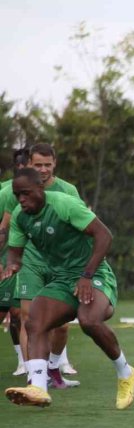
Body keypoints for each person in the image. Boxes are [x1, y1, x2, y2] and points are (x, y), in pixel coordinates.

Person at [2, 168, 134, 408]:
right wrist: (11, 265)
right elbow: (15, 251)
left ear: (40, 189)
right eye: (17, 195)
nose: (21, 199)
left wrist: (86, 275)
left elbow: (104, 236)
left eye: (26, 193)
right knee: (35, 322)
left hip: (94, 274)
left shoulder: (63, 204)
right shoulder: (21, 218)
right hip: (63, 279)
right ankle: (38, 388)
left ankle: (125, 373)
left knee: (89, 321)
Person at [0, 143, 81, 387]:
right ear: (29, 165)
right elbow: (5, 229)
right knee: (28, 319)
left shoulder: (68, 190)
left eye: (48, 165)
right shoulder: (13, 192)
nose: (43, 170)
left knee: (62, 325)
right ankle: (33, 377)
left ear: (55, 163)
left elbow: (82, 227)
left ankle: (54, 369)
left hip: (62, 265)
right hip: (30, 263)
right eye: (38, 165)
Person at [3, 148, 27, 376]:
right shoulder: (5, 193)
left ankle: (35, 366)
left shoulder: (57, 193)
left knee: (23, 312)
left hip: (32, 262)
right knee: (9, 312)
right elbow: (2, 230)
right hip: (8, 260)